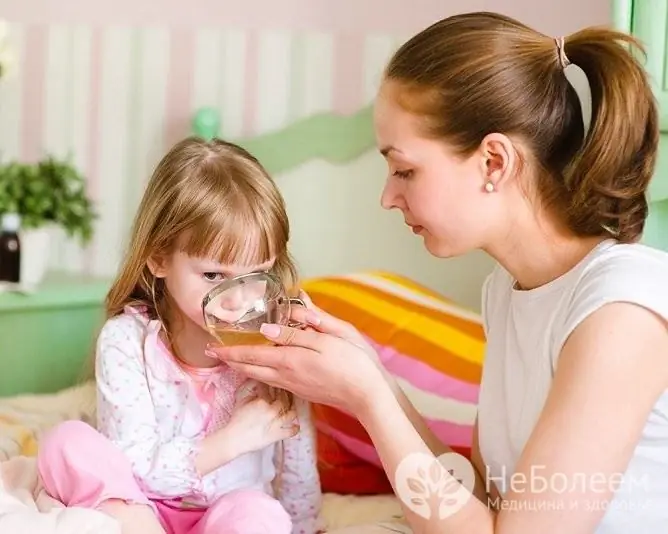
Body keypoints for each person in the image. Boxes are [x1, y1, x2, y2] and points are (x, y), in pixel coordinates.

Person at [209, 11, 668, 534]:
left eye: (404, 169)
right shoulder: (508, 291)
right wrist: (374, 378)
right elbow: (472, 496)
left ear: (494, 161)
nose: (388, 197)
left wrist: (369, 398)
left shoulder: (620, 310)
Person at [36, 137, 323, 534]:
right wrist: (233, 440)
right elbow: (132, 466)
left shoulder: (272, 345)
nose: (238, 300)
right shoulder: (127, 341)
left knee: (263, 515)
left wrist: (306, 525)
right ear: (159, 258)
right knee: (64, 443)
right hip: (139, 507)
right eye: (213, 276)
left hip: (228, 513)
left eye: (256, 275)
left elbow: (297, 454)